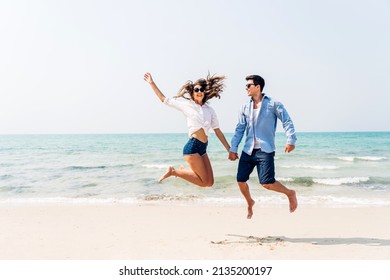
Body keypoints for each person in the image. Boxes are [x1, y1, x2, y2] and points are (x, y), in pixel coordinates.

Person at [228, 74, 298, 218]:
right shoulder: (244, 107)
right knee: (240, 180)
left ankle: (290, 193)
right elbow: (239, 129)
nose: (246, 88)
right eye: (246, 85)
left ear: (258, 87)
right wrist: (233, 149)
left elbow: (287, 121)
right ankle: (250, 202)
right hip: (248, 149)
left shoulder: (273, 104)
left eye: (249, 85)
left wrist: (291, 140)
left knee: (266, 183)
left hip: (265, 149)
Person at [144, 72, 230, 187]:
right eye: (196, 89)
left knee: (210, 183)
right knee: (204, 183)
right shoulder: (187, 105)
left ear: (204, 92)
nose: (199, 91)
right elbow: (164, 100)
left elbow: (218, 131)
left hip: (203, 148)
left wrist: (229, 150)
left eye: (202, 89)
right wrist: (152, 83)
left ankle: (183, 170)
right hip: (192, 147)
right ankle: (174, 171)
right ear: (192, 92)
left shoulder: (210, 110)